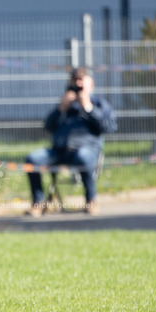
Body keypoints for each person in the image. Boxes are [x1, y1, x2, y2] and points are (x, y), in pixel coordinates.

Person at [25, 67, 116, 216]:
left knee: (83, 156)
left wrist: (88, 107)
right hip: (59, 151)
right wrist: (61, 108)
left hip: (86, 150)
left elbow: (109, 126)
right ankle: (38, 203)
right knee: (32, 159)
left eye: (81, 81)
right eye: (75, 80)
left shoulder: (98, 104)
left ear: (91, 83)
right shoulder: (65, 105)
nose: (78, 84)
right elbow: (48, 126)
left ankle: (91, 201)